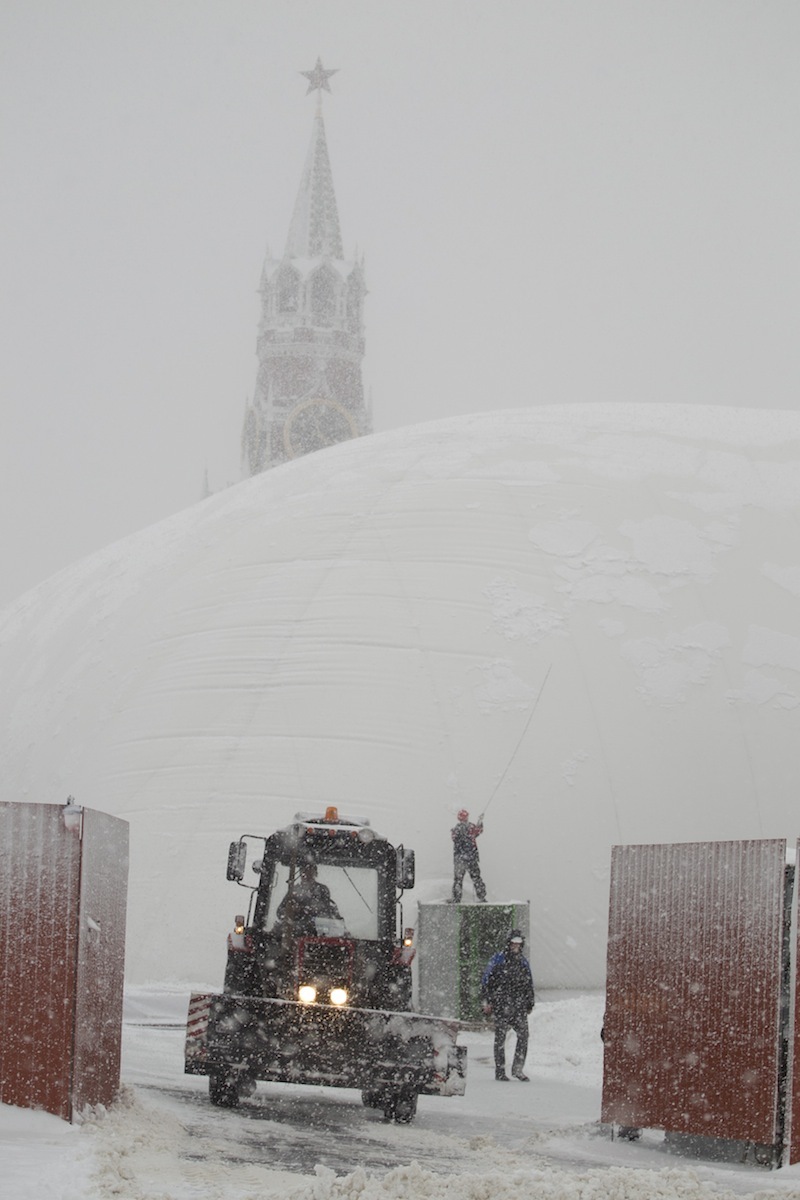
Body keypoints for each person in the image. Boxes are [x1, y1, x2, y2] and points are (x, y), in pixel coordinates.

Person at [481, 929, 535, 1081]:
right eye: (513, 943)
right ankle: (500, 1070)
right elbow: (486, 981)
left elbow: (528, 983)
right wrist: (487, 1001)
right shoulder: (497, 960)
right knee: (500, 1037)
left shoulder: (523, 962)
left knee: (523, 1035)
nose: (516, 946)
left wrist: (529, 1002)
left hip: (518, 1006)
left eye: (519, 943)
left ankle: (518, 1069)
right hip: (501, 1004)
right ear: (508, 943)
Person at [276, 862, 342, 933]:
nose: (307, 876)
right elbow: (280, 912)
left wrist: (308, 910)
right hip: (294, 932)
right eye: (304, 872)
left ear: (315, 874)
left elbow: (325, 911)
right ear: (300, 874)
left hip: (317, 933)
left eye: (310, 873)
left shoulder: (322, 890)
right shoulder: (293, 891)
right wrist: (290, 910)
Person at [451, 808, 486, 903]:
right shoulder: (471, 827)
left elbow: (454, 839)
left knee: (458, 879)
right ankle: (482, 896)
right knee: (476, 878)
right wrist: (480, 821)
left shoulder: (456, 829)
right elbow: (478, 831)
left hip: (460, 859)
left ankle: (456, 899)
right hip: (471, 858)